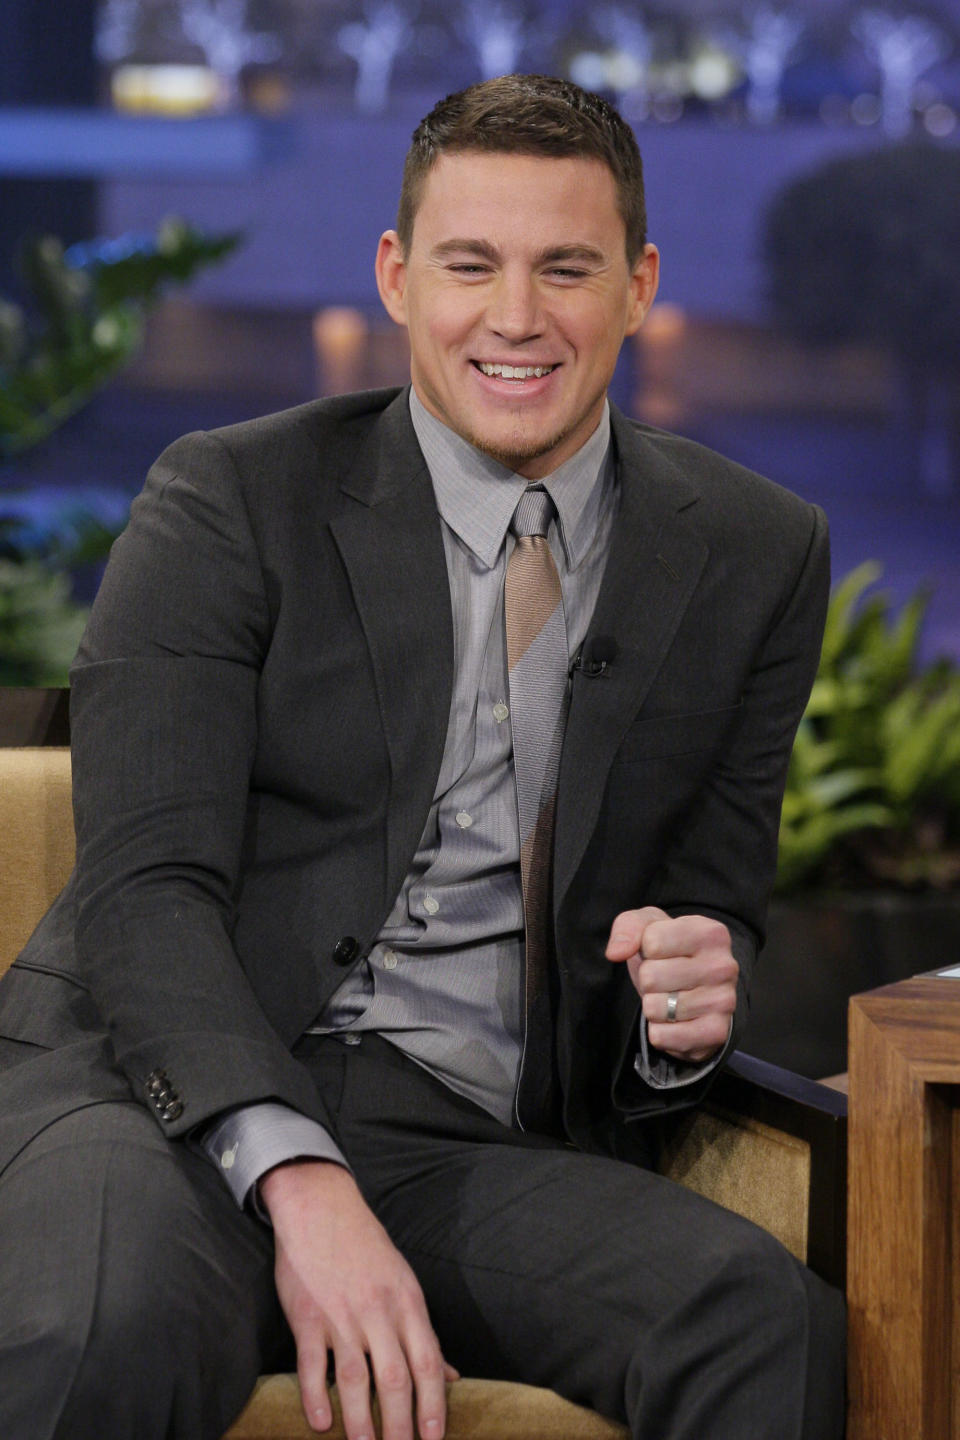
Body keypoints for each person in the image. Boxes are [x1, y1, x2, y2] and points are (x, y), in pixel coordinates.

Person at [0, 74, 843, 1440]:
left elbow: (708, 908)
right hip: (152, 1096)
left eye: (566, 268)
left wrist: (685, 1011)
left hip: (467, 1144)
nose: (516, 318)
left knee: (765, 1327)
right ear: (398, 277)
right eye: (472, 264)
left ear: (639, 284)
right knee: (104, 1319)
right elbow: (146, 894)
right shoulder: (228, 497)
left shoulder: (756, 550)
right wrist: (300, 1178)